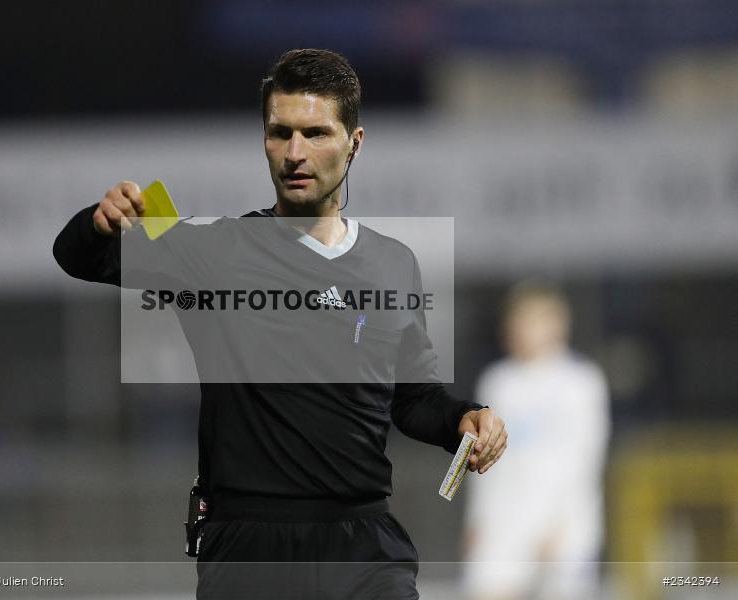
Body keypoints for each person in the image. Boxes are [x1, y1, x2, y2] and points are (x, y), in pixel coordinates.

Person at [54, 48, 507, 600]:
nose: (295, 153)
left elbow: (412, 397)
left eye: (315, 133)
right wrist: (99, 224)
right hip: (249, 550)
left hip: (364, 548)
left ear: (354, 143)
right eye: (279, 133)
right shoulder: (213, 253)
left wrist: (465, 417)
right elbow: (76, 256)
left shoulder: (394, 263)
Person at [461, 281, 610, 600]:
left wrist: (562, 525)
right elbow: (479, 458)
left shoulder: (581, 383)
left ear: (557, 323)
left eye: (533, 320)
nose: (522, 330)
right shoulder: (497, 382)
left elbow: (585, 461)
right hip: (504, 525)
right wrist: (477, 520)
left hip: (562, 530)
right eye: (517, 321)